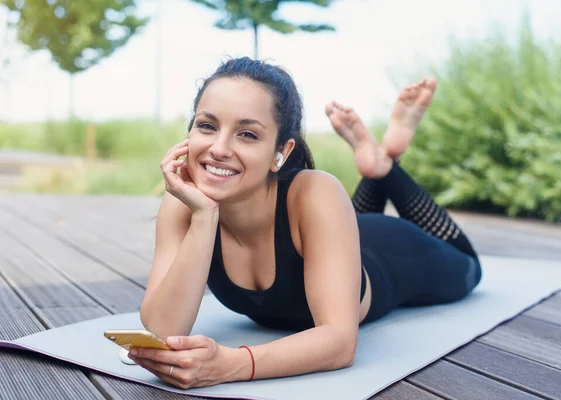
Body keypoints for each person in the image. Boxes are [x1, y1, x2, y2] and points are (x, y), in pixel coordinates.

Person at [129, 57, 482, 389]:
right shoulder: (184, 206)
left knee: (468, 265)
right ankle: (376, 167)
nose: (219, 148)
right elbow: (164, 330)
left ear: (280, 153)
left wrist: (231, 364)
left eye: (247, 134)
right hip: (331, 235)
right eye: (207, 126)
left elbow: (340, 342)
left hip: (392, 252)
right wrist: (205, 217)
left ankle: (385, 168)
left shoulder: (315, 192)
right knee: (343, 224)